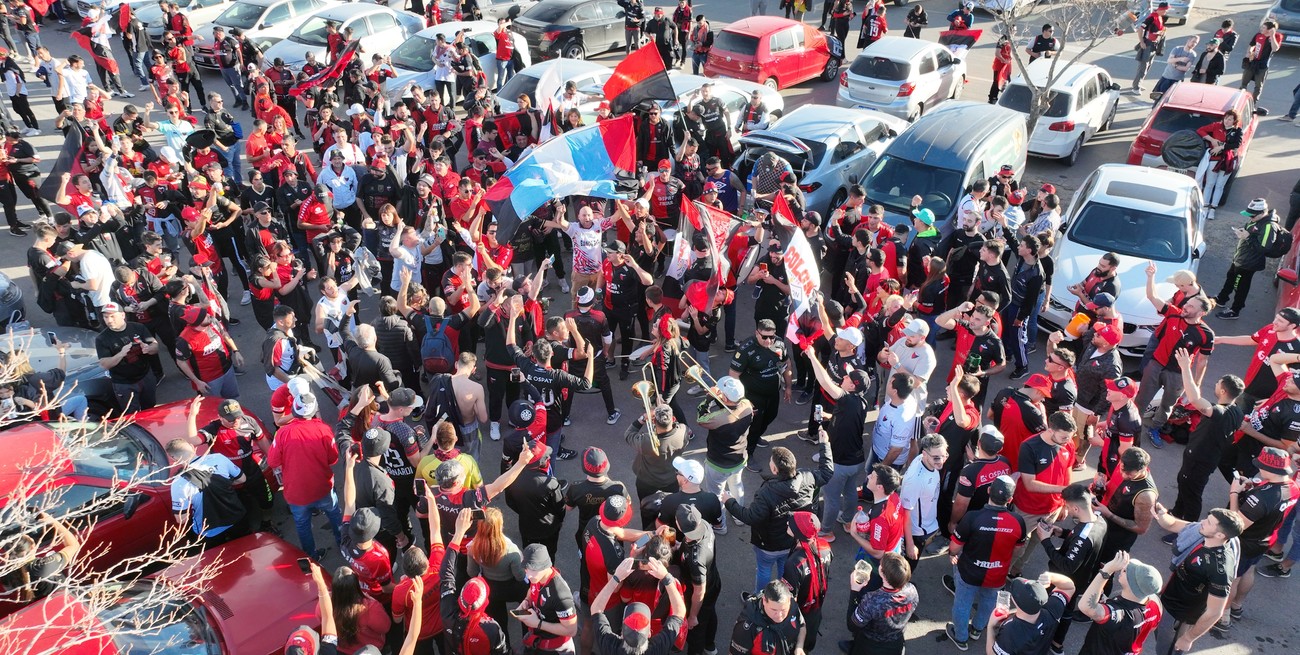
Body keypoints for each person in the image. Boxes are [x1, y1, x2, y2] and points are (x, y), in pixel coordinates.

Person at [723, 440, 832, 593]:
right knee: (785, 566)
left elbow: (750, 517)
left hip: (768, 543)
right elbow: (827, 472)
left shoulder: (767, 493)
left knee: (764, 569)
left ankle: (759, 599)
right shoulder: (808, 478)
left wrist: (729, 502)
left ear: (774, 469)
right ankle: (783, 592)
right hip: (793, 540)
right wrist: (824, 444)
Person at [1216, 447, 1300, 635]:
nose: (1259, 469)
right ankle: (1237, 606)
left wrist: (1234, 493)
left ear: (1271, 469)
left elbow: (1237, 524)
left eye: (1261, 466)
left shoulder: (1260, 499)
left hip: (1245, 542)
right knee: (1249, 570)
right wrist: (1252, 486)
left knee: (1232, 578)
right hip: (1266, 539)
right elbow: (1272, 494)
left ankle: (1224, 616)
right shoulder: (1292, 487)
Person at [944, 475, 1026, 651]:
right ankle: (977, 630)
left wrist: (952, 554)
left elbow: (954, 547)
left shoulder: (972, 517)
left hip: (968, 572)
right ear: (1010, 499)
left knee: (962, 604)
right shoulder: (1018, 522)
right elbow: (1019, 550)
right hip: (997, 574)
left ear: (989, 491)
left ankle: (960, 637)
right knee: (988, 603)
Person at [1151, 505, 1244, 655]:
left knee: (1165, 650)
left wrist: (1188, 638)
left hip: (1179, 615)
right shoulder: (1204, 534)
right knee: (1160, 638)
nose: (1202, 522)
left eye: (1209, 522)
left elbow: (1215, 612)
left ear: (1220, 535)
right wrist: (1162, 514)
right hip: (1168, 600)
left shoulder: (1220, 569)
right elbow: (1173, 524)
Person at [267, 385, 346, 559]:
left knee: (302, 525)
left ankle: (311, 556)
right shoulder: (323, 429)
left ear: (294, 409)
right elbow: (333, 459)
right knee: (334, 514)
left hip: (296, 493)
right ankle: (343, 543)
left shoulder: (282, 433)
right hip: (322, 486)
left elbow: (272, 461)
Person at [803, 341, 872, 539]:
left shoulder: (846, 398)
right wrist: (830, 416)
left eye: (848, 377)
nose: (843, 377)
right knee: (850, 492)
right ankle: (848, 519)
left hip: (839, 462)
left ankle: (825, 532)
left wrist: (812, 356)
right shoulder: (860, 401)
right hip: (856, 460)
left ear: (852, 385)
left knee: (831, 498)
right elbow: (848, 420)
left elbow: (824, 382)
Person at [1170, 354, 1245, 522]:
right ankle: (1176, 513)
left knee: (1192, 494)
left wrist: (1185, 367)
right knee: (1184, 483)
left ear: (1224, 391)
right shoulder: (1237, 411)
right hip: (1202, 458)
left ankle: (1187, 530)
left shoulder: (1219, 412)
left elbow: (1195, 399)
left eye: (1218, 383)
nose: (1216, 384)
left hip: (1200, 460)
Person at [1010, 411, 1078, 577]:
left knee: (1035, 541)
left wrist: (1063, 503)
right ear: (1051, 430)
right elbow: (1030, 484)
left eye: (1070, 437)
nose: (1068, 441)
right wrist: (1062, 491)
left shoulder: (1067, 444)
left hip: (1052, 510)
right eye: (1064, 437)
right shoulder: (1030, 446)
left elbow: (1067, 474)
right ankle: (998, 576)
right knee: (1017, 546)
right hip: (1027, 509)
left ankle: (1014, 572)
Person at [443, 509, 512, 655]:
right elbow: (502, 652)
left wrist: (458, 533)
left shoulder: (447, 612)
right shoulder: (492, 628)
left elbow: (447, 574)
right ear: (484, 602)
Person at [589, 556, 686, 655]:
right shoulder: (658, 648)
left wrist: (616, 577)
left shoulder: (610, 645)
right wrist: (665, 577)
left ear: (622, 634)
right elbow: (680, 611)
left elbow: (596, 609)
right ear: (649, 633)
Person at [1076, 552, 1165, 655]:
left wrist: (1107, 570)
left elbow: (1086, 607)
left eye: (1126, 571)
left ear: (1133, 586)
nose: (1122, 570)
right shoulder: (1155, 602)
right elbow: (1152, 627)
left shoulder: (1119, 614)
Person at [166, 438, 249, 548]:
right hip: (237, 519)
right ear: (192, 447)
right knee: (246, 550)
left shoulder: (179, 483)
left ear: (174, 458)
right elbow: (242, 479)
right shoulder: (219, 458)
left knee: (221, 562)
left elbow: (181, 519)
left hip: (209, 531)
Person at [729, 319, 792, 461]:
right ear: (757, 333)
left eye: (772, 337)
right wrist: (743, 400)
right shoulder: (746, 349)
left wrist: (788, 386)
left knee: (771, 415)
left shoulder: (779, 343)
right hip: (753, 396)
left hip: (772, 392)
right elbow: (733, 376)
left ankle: (755, 437)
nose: (769, 341)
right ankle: (747, 454)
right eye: (764, 337)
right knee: (755, 425)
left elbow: (786, 363)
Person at [699, 375, 753, 534]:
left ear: (726, 398)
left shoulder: (717, 418)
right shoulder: (747, 405)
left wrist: (709, 398)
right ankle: (739, 515)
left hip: (718, 463)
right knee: (736, 485)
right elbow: (729, 406)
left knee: (716, 493)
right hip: (739, 457)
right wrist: (719, 397)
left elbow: (701, 418)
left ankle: (720, 525)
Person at [1214, 198, 1278, 319]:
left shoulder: (1269, 226)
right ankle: (1221, 299)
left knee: (1240, 287)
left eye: (1252, 216)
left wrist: (1247, 237)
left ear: (1262, 213)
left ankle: (1235, 310)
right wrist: (1243, 234)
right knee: (1230, 278)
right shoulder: (1256, 220)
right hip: (1240, 258)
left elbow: (1264, 248)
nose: (1250, 218)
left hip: (1248, 264)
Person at [0, 510, 81, 603]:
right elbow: (73, 545)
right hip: (67, 601)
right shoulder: (41, 567)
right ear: (33, 547)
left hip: (45, 606)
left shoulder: (6, 573)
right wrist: (51, 520)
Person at [844, 552, 917, 655]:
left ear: (882, 573)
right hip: (896, 644)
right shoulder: (912, 591)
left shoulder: (872, 601)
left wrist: (854, 591)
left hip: (869, 646)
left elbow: (852, 625)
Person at [987, 574, 1078, 655]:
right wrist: (1051, 576)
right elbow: (1069, 587)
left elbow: (992, 653)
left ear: (1016, 601)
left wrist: (990, 626)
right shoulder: (1052, 610)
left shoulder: (1010, 631)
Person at [513, 543, 579, 654]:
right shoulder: (537, 577)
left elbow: (571, 630)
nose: (528, 575)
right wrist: (527, 601)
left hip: (556, 648)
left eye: (533, 570)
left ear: (545, 566)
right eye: (526, 569)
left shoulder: (560, 595)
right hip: (538, 638)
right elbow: (532, 589)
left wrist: (538, 623)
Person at [95, 302, 160, 412]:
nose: (109, 320)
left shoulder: (138, 327)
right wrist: (121, 354)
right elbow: (104, 364)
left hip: (145, 376)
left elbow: (155, 346)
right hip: (124, 383)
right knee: (131, 413)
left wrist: (148, 348)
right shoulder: (102, 338)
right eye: (106, 317)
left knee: (150, 407)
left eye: (112, 316)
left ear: (122, 315)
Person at [783, 511, 832, 653]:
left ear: (799, 533)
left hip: (799, 615)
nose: (787, 523)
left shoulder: (794, 563)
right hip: (815, 608)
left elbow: (789, 598)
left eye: (791, 524)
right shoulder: (825, 547)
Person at [676, 504, 721, 655]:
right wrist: (679, 546)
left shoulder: (696, 560)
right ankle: (710, 645)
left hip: (701, 591)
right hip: (713, 580)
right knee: (709, 613)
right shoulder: (705, 525)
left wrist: (693, 616)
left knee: (696, 629)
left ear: (678, 524)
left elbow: (699, 591)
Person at [900, 434, 948, 570]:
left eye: (944, 455)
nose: (941, 461)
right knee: (906, 569)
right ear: (924, 454)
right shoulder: (916, 480)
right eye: (937, 458)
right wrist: (909, 544)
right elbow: (906, 512)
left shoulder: (926, 460)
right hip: (917, 533)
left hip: (927, 525)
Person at [728, 580, 806, 655]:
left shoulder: (792, 605)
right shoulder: (748, 625)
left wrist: (799, 647)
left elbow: (802, 625)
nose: (779, 615)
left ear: (789, 601)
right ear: (764, 600)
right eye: (774, 609)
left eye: (783, 610)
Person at [1197, 112, 1245, 220]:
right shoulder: (1216, 126)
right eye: (1226, 118)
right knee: (1210, 183)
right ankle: (1204, 207)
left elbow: (1236, 144)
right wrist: (1212, 140)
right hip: (1214, 159)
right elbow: (1200, 130)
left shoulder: (1237, 130)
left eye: (1230, 119)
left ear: (1234, 121)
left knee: (1219, 186)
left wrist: (1222, 147)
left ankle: (1213, 208)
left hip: (1228, 160)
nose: (1227, 121)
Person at [1130, 2, 1169, 94]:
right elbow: (1140, 29)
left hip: (1154, 44)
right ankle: (1136, 87)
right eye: (1165, 10)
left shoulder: (1159, 17)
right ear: (1161, 9)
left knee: (1148, 66)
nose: (1166, 12)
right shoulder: (1152, 17)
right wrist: (1142, 42)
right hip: (1148, 44)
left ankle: (1138, 83)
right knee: (1143, 66)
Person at [1241, 20, 1283, 102]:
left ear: (1270, 29)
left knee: (1258, 86)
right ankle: (1241, 98)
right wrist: (1249, 52)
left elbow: (1275, 48)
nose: (1261, 29)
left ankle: (1253, 102)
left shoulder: (1276, 36)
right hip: (1252, 61)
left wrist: (1272, 36)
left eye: (1264, 28)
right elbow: (1251, 44)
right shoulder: (1258, 35)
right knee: (1244, 82)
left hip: (1262, 65)